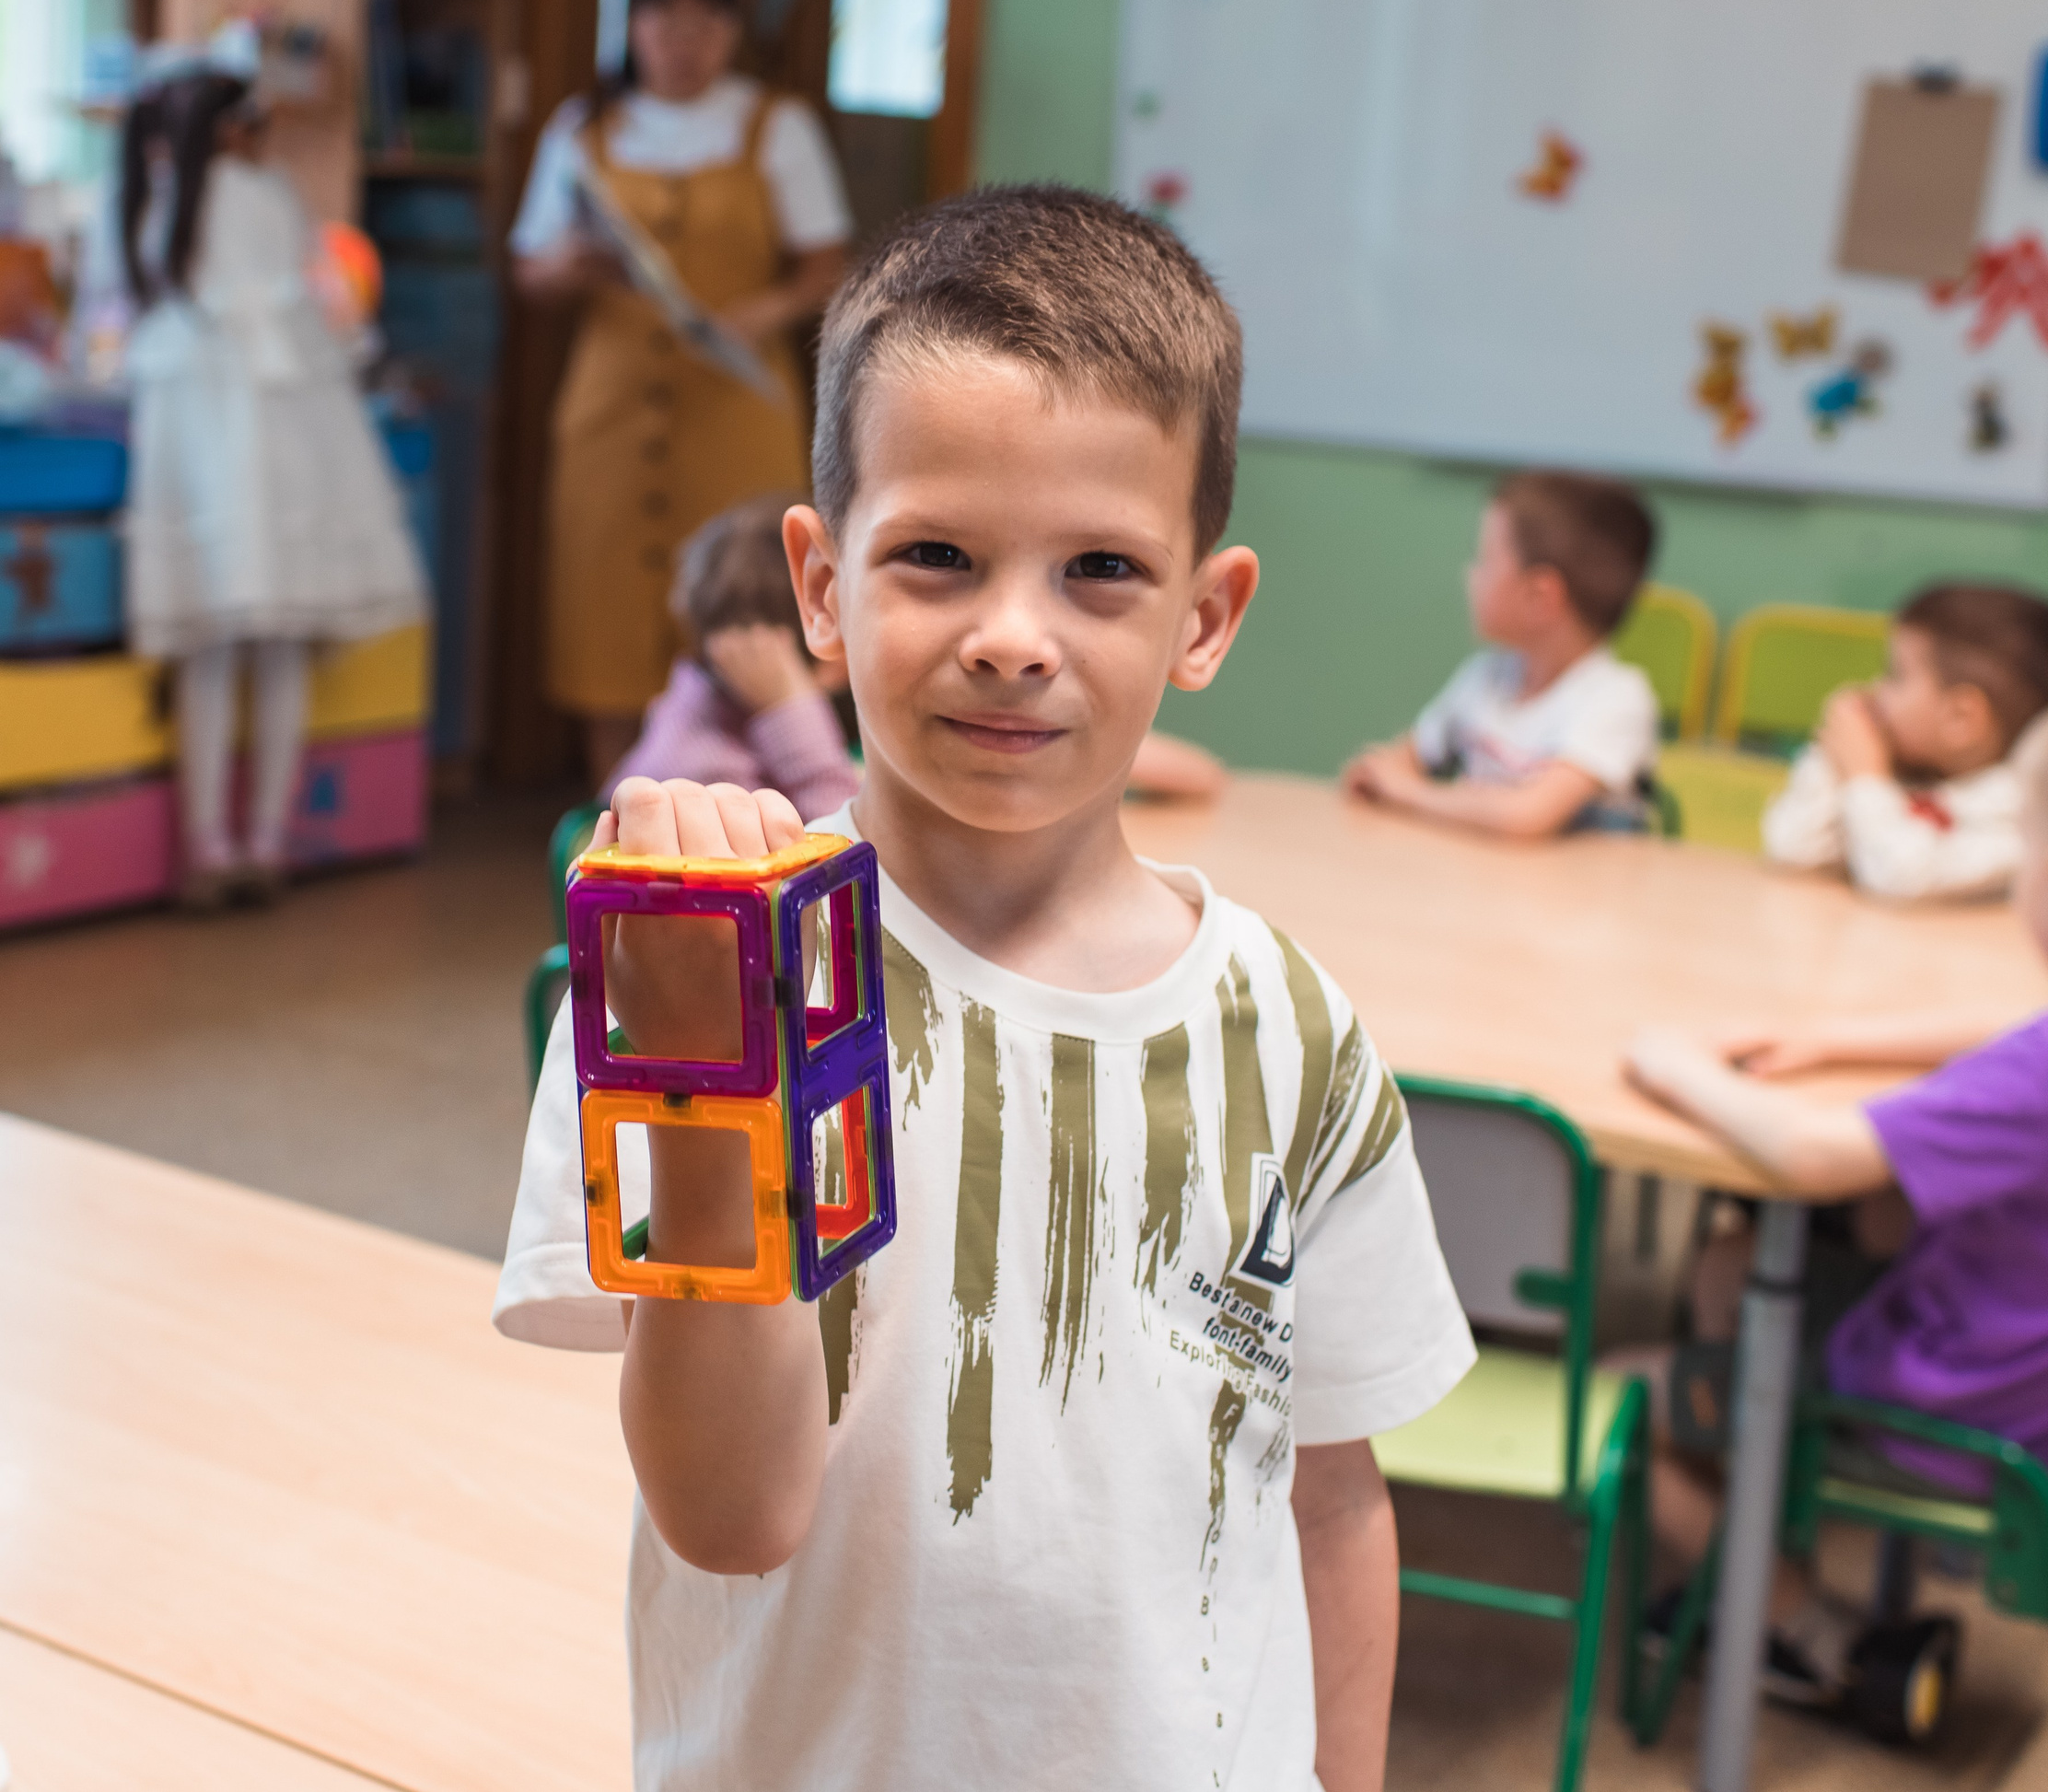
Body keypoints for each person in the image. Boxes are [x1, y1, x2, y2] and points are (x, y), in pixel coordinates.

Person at [493, 186, 1474, 1792]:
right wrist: (705, 1054)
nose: (1013, 638)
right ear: (821, 586)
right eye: (937, 557)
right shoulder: (698, 974)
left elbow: (1330, 1494)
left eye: (1100, 569)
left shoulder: (1289, 1035)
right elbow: (730, 1515)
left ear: (1205, 615)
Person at [1622, 677, 2048, 1694]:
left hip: (1956, 1407)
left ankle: (1808, 1631)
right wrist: (1837, 1037)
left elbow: (1811, 1157)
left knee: (1624, 1403)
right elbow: (2038, 1038)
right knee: (1729, 1265)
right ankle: (1767, 1504)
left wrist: (1675, 1063)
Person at [512, 0, 854, 787]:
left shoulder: (776, 125)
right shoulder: (584, 129)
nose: (685, 34)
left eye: (709, 15)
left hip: (737, 406)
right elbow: (530, 266)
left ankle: (764, 816)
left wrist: (757, 312)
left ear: (736, 29)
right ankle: (616, 817)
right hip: (610, 408)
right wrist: (573, 265)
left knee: (753, 603)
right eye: (666, 13)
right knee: (606, 613)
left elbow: (827, 266)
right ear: (634, 24)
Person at [120, 67, 426, 908]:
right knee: (275, 648)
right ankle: (258, 842)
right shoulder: (251, 195)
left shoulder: (167, 207)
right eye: (247, 115)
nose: (259, 128)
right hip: (282, 448)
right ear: (224, 127)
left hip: (233, 455)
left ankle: (215, 846)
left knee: (218, 652)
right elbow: (321, 300)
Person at [608, 495, 1232, 809]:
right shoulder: (699, 769)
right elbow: (845, 869)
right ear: (823, 604)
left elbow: (1201, 775)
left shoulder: (710, 710)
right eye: (935, 557)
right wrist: (791, 709)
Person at [1342, 471, 1660, 836]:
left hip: (1579, 893)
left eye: (1486, 559)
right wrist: (1379, 776)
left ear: (1538, 598)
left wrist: (1409, 792)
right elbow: (1403, 759)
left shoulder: (1617, 698)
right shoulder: (1484, 678)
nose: (1471, 574)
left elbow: (1526, 817)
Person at [1762, 582, 2048, 902]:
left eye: (1896, 676)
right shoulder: (1908, 773)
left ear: (1960, 719)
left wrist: (1865, 777)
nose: (1877, 690)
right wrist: (1836, 760)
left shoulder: (2023, 819)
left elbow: (1900, 877)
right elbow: (1796, 850)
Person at [600, 495, 862, 813]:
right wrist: (793, 707)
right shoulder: (712, 776)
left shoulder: (697, 706)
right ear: (823, 623)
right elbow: (845, 848)